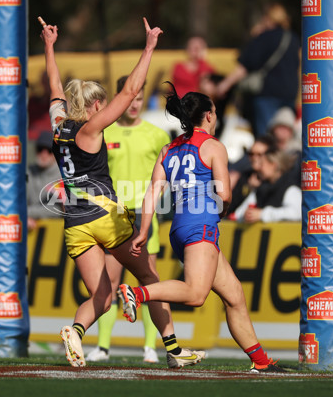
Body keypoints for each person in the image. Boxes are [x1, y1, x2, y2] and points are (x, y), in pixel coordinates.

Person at [41, 18, 204, 369]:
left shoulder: (58, 126)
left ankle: (76, 331)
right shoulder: (90, 129)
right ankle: (174, 350)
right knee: (148, 278)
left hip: (74, 222)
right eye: (100, 103)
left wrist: (49, 46)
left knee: (101, 295)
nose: (103, 107)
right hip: (105, 217)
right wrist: (148, 49)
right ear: (93, 106)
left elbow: (54, 86)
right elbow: (130, 92)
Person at [120, 84, 285, 373]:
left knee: (234, 295)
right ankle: (137, 294)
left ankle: (261, 361)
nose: (216, 116)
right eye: (216, 112)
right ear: (208, 116)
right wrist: (221, 210)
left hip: (179, 227)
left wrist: (144, 231)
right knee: (196, 295)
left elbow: (151, 194)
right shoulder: (212, 145)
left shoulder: (168, 148)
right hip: (201, 226)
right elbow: (225, 194)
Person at [85, 75, 171, 364]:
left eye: (138, 99)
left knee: (149, 280)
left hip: (145, 217)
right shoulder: (104, 132)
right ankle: (103, 346)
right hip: (112, 216)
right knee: (108, 280)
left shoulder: (157, 134)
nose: (133, 105)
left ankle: (150, 347)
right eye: (129, 99)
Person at [215, 3, 300, 137]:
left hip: (267, 93)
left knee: (265, 137)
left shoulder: (264, 37)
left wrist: (224, 84)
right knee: (284, 136)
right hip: (289, 94)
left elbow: (244, 66)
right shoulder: (293, 38)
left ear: (268, 18)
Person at [232, 149, 301, 223]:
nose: (258, 168)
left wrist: (262, 214)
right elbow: (238, 214)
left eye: (261, 164)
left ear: (274, 165)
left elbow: (297, 213)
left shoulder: (291, 189)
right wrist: (247, 215)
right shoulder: (260, 189)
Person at [227, 134, 277, 216]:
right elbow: (231, 208)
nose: (254, 158)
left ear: (271, 155)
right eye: (251, 154)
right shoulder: (245, 176)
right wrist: (249, 189)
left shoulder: (277, 177)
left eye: (259, 154)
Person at [26, 131, 63, 231]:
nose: (44, 154)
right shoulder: (28, 172)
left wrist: (25, 213)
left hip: (56, 235)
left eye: (49, 150)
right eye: (40, 149)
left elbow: (58, 210)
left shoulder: (63, 176)